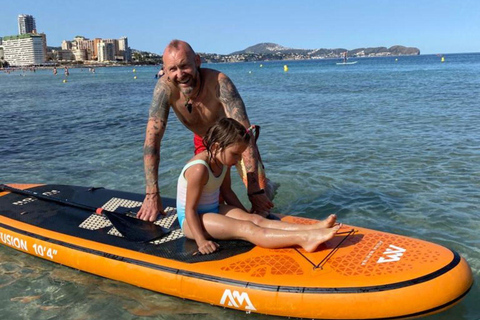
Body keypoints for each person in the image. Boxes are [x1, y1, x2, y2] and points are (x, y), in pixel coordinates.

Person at [137, 39, 274, 222]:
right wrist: (152, 194)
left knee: (261, 197)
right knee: (212, 202)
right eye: (173, 69)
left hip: (236, 141)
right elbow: (152, 140)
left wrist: (255, 188)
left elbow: (244, 133)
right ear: (165, 70)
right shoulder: (165, 89)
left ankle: (268, 191)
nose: (180, 74)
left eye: (184, 66)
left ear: (198, 61)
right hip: (206, 142)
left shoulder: (219, 83)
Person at [177, 118, 341, 255]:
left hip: (213, 210)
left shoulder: (221, 161)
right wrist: (201, 241)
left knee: (255, 219)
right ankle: (305, 239)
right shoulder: (199, 169)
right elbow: (190, 209)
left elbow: (227, 192)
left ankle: (312, 229)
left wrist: (245, 214)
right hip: (192, 222)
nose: (237, 160)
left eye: (240, 155)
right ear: (215, 147)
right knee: (246, 228)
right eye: (235, 154)